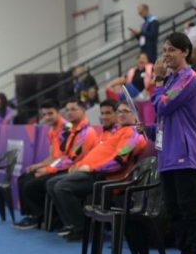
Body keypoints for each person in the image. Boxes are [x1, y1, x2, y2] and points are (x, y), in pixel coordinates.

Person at [146, 32, 196, 254]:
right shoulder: (172, 80)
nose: (166, 55)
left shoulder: (188, 78)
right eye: (164, 50)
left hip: (184, 152)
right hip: (167, 154)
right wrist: (148, 129)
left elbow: (164, 105)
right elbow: (163, 117)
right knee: (173, 208)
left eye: (171, 50)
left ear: (185, 52)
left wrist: (158, 82)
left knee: (190, 206)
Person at [47, 100, 146, 241]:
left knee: (61, 187)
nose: (121, 114)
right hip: (92, 173)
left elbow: (119, 161)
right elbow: (96, 154)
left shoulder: (134, 134)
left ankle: (83, 230)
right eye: (119, 111)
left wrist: (91, 168)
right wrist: (80, 164)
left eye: (126, 111)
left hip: (105, 178)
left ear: (136, 115)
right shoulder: (116, 131)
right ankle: (72, 225)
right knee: (51, 183)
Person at [13, 98, 98, 230]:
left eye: (74, 109)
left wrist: (48, 169)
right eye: (68, 110)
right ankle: (38, 216)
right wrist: (42, 166)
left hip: (74, 170)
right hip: (63, 166)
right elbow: (60, 155)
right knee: (23, 179)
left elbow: (71, 159)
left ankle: (47, 217)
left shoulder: (74, 130)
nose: (70, 113)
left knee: (32, 185)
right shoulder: (68, 130)